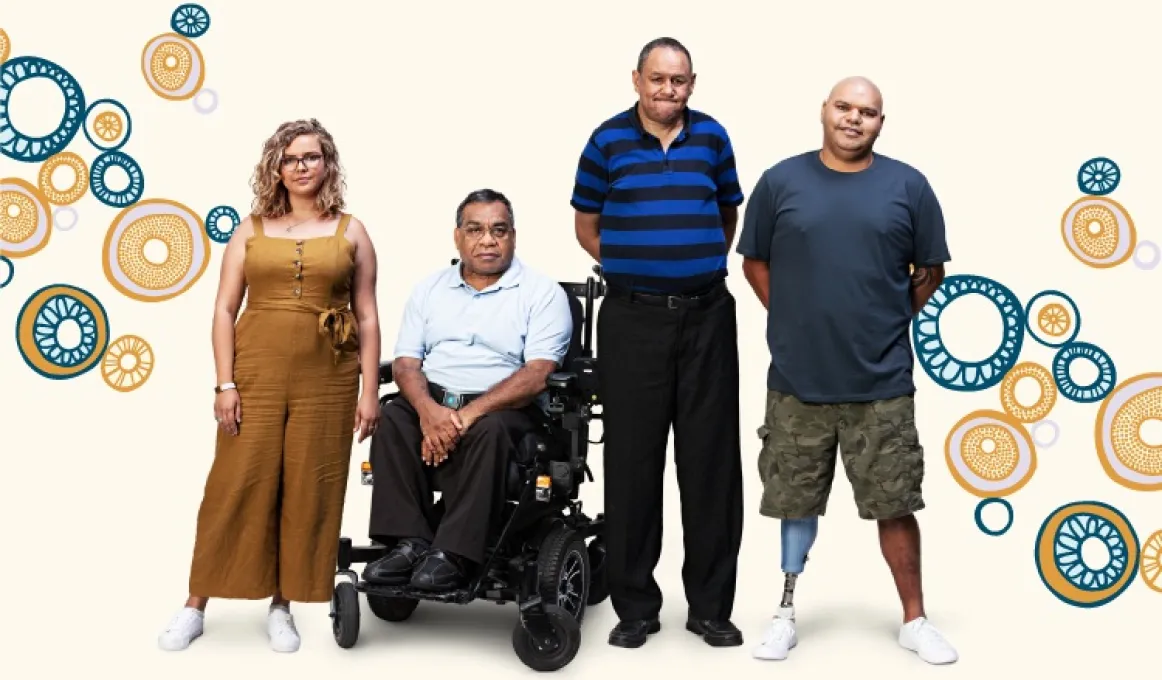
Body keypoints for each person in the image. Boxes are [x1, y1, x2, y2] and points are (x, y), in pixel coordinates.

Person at [735, 76, 959, 665]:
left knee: (895, 502)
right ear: (824, 111)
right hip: (797, 383)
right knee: (794, 501)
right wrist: (791, 316)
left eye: (868, 112)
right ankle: (783, 615)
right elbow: (753, 261)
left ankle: (915, 619)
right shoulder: (780, 181)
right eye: (844, 107)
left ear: (881, 123)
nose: (854, 119)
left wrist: (885, 320)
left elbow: (929, 270)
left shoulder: (909, 186)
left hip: (880, 384)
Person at [158, 118, 382, 653]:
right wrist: (224, 383)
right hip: (254, 373)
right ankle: (196, 602)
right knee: (236, 484)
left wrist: (369, 392)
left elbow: (367, 316)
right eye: (291, 159)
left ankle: (281, 604)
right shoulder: (250, 228)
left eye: (311, 156)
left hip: (328, 378)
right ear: (275, 169)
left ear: (327, 162)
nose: (301, 167)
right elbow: (222, 308)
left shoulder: (351, 230)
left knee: (309, 488)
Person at [570, 37, 746, 649]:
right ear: (637, 80)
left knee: (711, 464)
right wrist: (634, 266)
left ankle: (710, 608)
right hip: (631, 319)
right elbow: (586, 224)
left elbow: (728, 214)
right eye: (657, 80)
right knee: (632, 462)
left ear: (691, 83)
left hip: (707, 318)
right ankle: (636, 607)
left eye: (679, 81)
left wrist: (694, 263)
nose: (667, 91)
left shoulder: (714, 138)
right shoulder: (606, 141)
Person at [361, 189, 573, 591]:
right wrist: (428, 412)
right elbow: (406, 363)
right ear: (457, 237)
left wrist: (465, 416)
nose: (487, 240)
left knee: (491, 431)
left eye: (499, 230)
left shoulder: (541, 293)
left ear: (513, 235)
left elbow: (538, 373)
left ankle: (454, 554)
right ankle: (409, 543)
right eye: (475, 230)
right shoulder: (429, 289)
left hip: (503, 408)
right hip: (434, 401)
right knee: (393, 418)